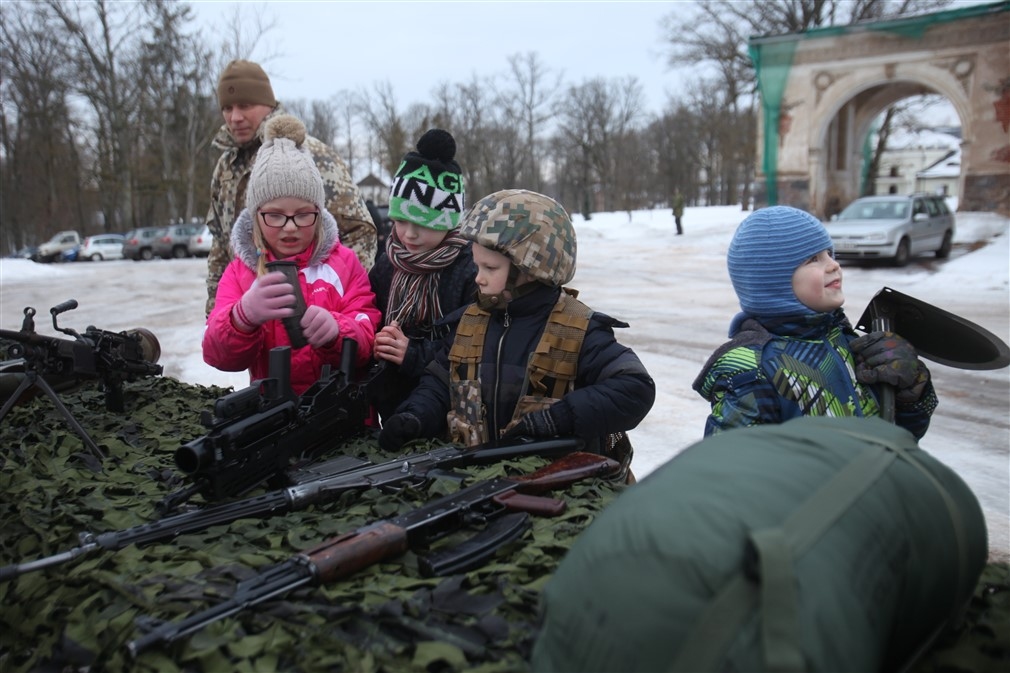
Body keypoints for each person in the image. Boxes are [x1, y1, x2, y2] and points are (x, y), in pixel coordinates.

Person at [377, 189, 656, 480]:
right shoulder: (471, 322)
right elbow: (441, 383)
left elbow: (635, 388)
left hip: (561, 487)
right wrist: (415, 416)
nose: (478, 277)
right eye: (477, 265)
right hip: (480, 482)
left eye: (490, 267)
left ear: (532, 270)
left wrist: (558, 418)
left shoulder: (577, 330)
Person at [693, 205, 938, 438]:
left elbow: (902, 439)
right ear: (774, 281)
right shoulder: (752, 368)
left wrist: (911, 392)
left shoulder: (847, 342)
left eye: (829, 254)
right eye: (813, 259)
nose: (834, 264)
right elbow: (734, 468)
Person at [203, 114, 381, 396]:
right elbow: (216, 354)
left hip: (343, 416)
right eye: (275, 215)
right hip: (274, 420)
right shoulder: (240, 274)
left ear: (320, 213)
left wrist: (338, 331)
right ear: (255, 215)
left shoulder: (344, 263)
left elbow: (368, 336)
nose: (289, 227)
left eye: (303, 215)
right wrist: (242, 317)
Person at [205, 59, 377, 315]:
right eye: (227, 108)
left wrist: (330, 307)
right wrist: (218, 316)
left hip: (314, 317)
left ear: (268, 104)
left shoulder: (307, 154)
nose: (235, 117)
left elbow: (359, 231)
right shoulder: (226, 167)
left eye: (245, 106)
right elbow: (221, 247)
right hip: (249, 316)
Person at [367, 129, 477, 423]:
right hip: (392, 409)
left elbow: (473, 346)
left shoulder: (469, 268)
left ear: (450, 222)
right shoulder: (387, 263)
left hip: (451, 414)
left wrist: (413, 353)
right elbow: (367, 316)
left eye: (424, 224)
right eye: (400, 220)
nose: (409, 234)